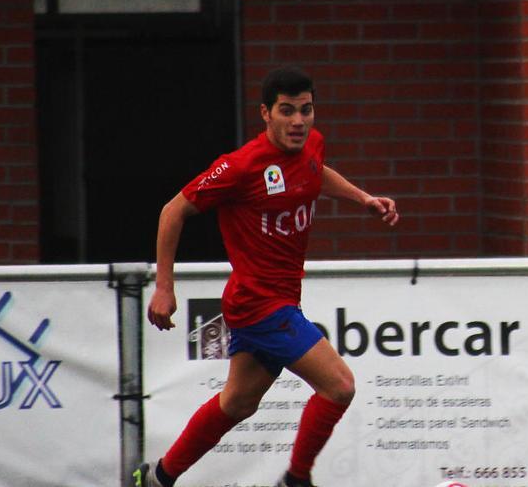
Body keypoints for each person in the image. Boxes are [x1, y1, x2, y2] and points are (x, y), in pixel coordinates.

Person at [135, 66, 399, 487]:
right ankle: (295, 481)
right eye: (287, 111)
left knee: (237, 403)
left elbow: (316, 171)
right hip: (259, 304)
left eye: (306, 110)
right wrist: (164, 286)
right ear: (266, 113)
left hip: (278, 300)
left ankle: (156, 477)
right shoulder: (240, 167)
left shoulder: (312, 144)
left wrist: (362, 198)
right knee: (340, 386)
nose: (298, 121)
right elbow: (173, 211)